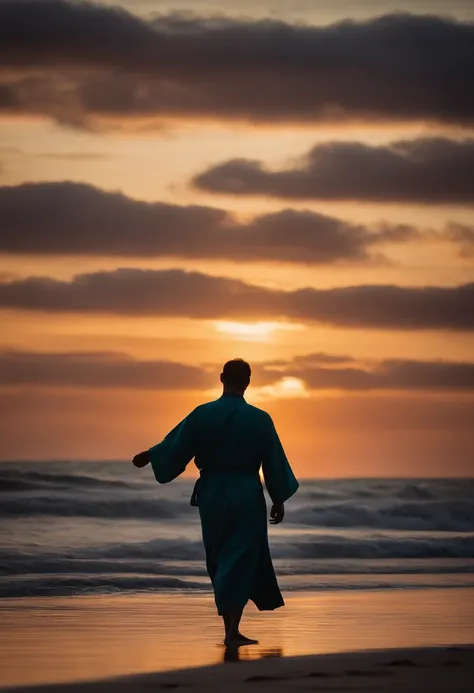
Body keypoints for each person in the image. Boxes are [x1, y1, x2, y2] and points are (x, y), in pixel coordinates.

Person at [132, 358, 299, 646]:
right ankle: (232, 631)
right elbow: (273, 462)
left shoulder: (203, 414)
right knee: (242, 558)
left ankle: (230, 630)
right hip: (247, 492)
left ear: (222, 378)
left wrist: (150, 455)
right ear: (248, 381)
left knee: (220, 557)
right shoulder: (260, 419)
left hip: (214, 493)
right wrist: (278, 498)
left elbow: (176, 445)